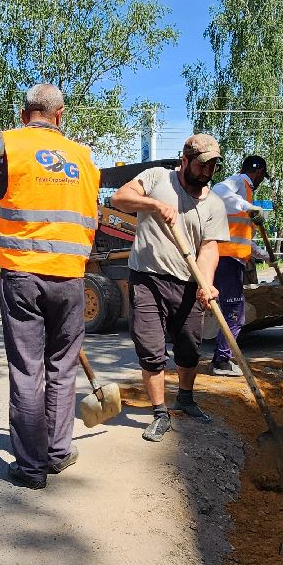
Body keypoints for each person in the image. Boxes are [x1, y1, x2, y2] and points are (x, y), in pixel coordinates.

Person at [0, 83, 100, 490]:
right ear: (60, 115)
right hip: (72, 277)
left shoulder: (5, 144)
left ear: (24, 114)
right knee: (62, 367)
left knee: (28, 370)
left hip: (24, 276)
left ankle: (31, 468)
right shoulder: (83, 157)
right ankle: (57, 453)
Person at [109, 135, 230, 442]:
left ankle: (185, 398)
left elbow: (209, 248)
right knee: (151, 349)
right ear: (185, 160)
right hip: (147, 279)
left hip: (188, 283)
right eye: (201, 165)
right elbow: (119, 199)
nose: (206, 172)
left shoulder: (214, 204)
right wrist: (153, 204)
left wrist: (206, 283)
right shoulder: (157, 179)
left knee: (189, 347)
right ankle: (160, 413)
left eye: (212, 166)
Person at [207, 155, 270, 376]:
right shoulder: (239, 182)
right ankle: (221, 361)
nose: (261, 180)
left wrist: (265, 256)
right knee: (235, 312)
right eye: (262, 175)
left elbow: (242, 238)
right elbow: (218, 190)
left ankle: (221, 358)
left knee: (231, 311)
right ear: (259, 171)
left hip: (231, 259)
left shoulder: (244, 192)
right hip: (227, 259)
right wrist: (249, 207)